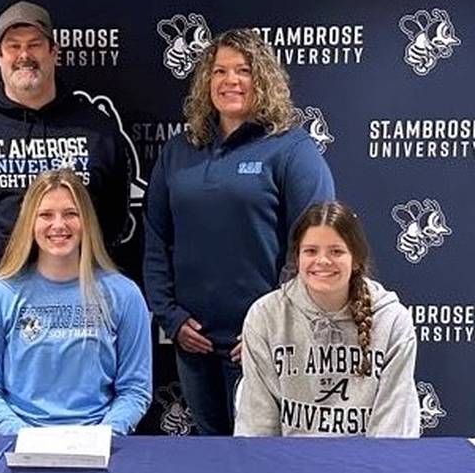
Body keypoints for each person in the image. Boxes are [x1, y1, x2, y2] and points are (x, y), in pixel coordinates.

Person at [144, 28, 335, 435]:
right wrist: (171, 317)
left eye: (243, 70)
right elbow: (157, 238)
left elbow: (316, 249)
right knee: (212, 463)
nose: (230, 81)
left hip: (265, 347)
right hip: (195, 346)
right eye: (219, 71)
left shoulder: (291, 149)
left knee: (265, 464)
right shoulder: (180, 150)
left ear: (262, 79)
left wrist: (271, 331)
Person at [0, 0, 129, 308]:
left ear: (54, 52)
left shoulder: (98, 129)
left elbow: (113, 217)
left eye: (35, 45)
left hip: (79, 300)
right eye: (13, 46)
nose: (24, 56)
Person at [0, 169, 151, 435]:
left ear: (86, 221)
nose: (59, 225)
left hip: (100, 446)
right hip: (20, 446)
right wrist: (26, 438)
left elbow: (135, 390)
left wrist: (103, 435)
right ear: (29, 222)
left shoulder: (124, 295)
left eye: (71, 214)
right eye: (46, 215)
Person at [235, 201, 420, 437]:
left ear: (356, 260)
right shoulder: (265, 316)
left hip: (366, 467)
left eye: (336, 251)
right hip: (289, 465)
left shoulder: (393, 321)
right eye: (311, 251)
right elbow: (257, 423)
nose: (322, 261)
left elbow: (393, 429)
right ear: (297, 258)